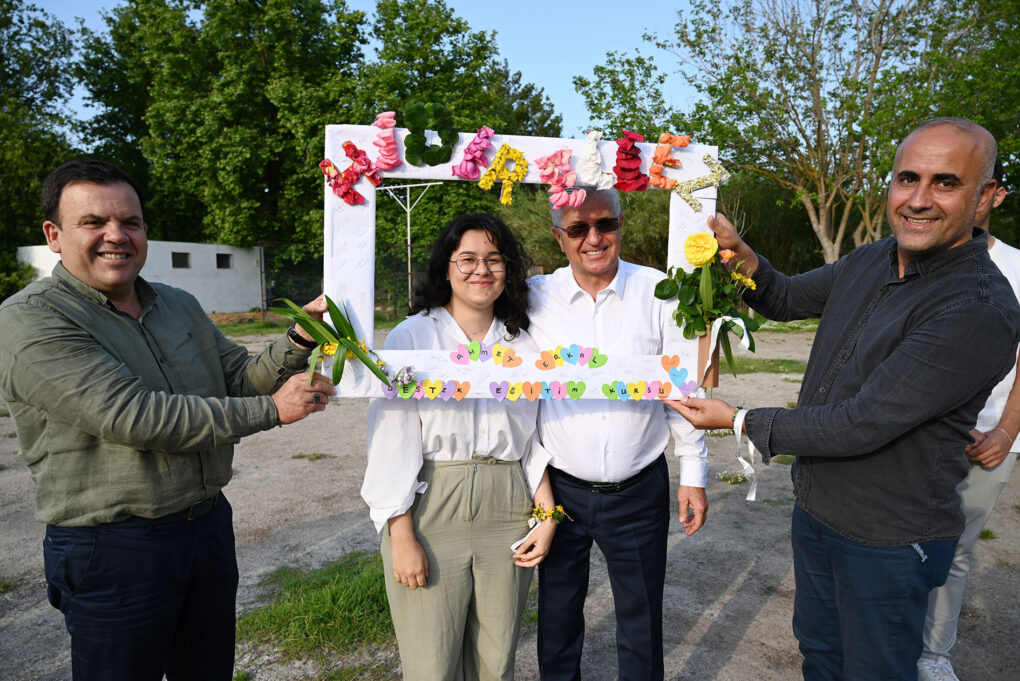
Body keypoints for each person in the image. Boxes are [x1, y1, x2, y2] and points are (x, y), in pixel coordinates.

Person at [672, 118, 1020, 680]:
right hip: (818, 512)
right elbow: (784, 297)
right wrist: (741, 256)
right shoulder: (874, 257)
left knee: (874, 671)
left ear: (983, 197)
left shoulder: (975, 308)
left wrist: (738, 419)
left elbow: (861, 424)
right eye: (907, 178)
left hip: (887, 539)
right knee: (821, 656)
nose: (919, 199)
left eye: (946, 182)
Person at [0, 159, 336, 681]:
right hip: (111, 548)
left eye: (130, 222)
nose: (117, 235)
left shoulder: (177, 304)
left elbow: (240, 377)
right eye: (94, 222)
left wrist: (298, 340)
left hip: (205, 529)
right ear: (55, 236)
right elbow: (131, 416)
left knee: (206, 671)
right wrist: (274, 411)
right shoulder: (31, 319)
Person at [361, 213, 557, 681]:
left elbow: (532, 442)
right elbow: (390, 441)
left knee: (496, 660)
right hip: (432, 508)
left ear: (508, 270)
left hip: (508, 505)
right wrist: (400, 534)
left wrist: (547, 518)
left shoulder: (524, 344)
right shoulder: (411, 337)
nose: (480, 270)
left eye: (493, 259)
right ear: (445, 268)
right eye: (467, 259)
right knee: (432, 663)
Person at [526, 187, 709, 681]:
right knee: (559, 618)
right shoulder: (534, 298)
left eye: (605, 224)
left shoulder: (659, 291)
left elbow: (681, 388)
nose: (593, 238)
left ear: (621, 225)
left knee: (641, 617)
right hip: (561, 489)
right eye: (578, 228)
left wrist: (693, 473)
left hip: (638, 488)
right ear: (557, 236)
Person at [918, 160, 1017, 681]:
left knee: (952, 552)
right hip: (911, 437)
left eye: (957, 184)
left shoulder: (1017, 268)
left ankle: (934, 653)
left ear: (992, 194)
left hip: (986, 441)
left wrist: (1005, 431)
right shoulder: (910, 260)